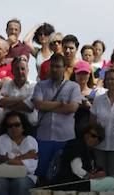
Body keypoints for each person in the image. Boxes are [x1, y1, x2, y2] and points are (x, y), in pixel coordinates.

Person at [32, 53, 81, 183]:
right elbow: (37, 104)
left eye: (58, 66)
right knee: (41, 173)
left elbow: (72, 108)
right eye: (52, 66)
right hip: (44, 137)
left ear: (65, 68)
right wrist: (60, 104)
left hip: (65, 137)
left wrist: (47, 105)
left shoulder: (73, 87)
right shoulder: (40, 85)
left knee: (63, 174)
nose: (54, 69)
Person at [0, 111, 37, 195]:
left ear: (23, 126)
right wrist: (24, 157)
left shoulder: (30, 140)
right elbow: (3, 161)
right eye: (9, 126)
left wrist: (9, 158)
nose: (13, 128)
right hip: (4, 175)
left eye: (17, 125)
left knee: (20, 183)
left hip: (26, 176)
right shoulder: (3, 139)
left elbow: (31, 167)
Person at [52, 122, 114, 191]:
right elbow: (76, 169)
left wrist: (100, 172)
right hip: (71, 183)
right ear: (86, 134)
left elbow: (94, 167)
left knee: (110, 181)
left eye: (99, 139)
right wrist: (90, 176)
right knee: (113, 182)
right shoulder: (76, 145)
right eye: (93, 136)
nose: (96, 140)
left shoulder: (90, 151)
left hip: (83, 182)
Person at [90, 68, 114, 179]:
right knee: (100, 180)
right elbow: (91, 121)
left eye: (112, 79)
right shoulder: (98, 100)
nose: (110, 81)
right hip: (99, 145)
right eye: (107, 79)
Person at [0, 55, 37, 128]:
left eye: (22, 69)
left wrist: (8, 103)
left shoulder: (34, 86)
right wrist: (22, 99)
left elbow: (29, 106)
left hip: (29, 127)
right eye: (16, 69)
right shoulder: (7, 85)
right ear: (12, 71)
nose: (20, 72)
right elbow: (0, 102)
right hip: (9, 127)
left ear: (28, 70)